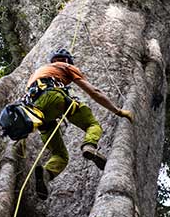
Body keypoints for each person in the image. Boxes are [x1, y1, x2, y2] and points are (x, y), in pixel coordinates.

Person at [25, 48, 133, 200]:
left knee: (60, 155)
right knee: (92, 125)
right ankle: (90, 146)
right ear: (66, 60)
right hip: (55, 98)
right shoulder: (66, 66)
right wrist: (118, 111)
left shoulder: (38, 72)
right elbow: (94, 92)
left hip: (36, 112)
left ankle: (46, 173)